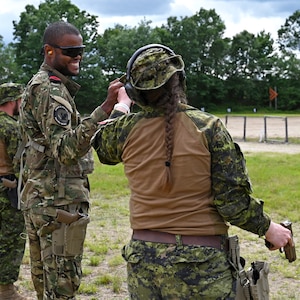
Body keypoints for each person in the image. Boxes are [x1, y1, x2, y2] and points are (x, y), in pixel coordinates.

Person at [92, 44, 293, 299]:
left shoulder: (125, 130)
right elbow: (232, 202)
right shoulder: (208, 127)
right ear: (179, 81)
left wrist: (122, 105)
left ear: (137, 92)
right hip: (203, 266)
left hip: (143, 262)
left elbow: (102, 143)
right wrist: (269, 228)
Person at [19, 21, 123, 300]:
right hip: (58, 203)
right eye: (71, 51)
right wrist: (105, 110)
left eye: (81, 51)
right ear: (49, 51)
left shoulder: (44, 86)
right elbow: (65, 150)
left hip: (44, 198)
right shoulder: (51, 91)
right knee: (62, 285)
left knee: (47, 283)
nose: (78, 57)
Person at [0, 83, 28, 300]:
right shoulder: (11, 127)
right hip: (7, 190)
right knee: (11, 239)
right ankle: (6, 290)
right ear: (13, 101)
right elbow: (20, 163)